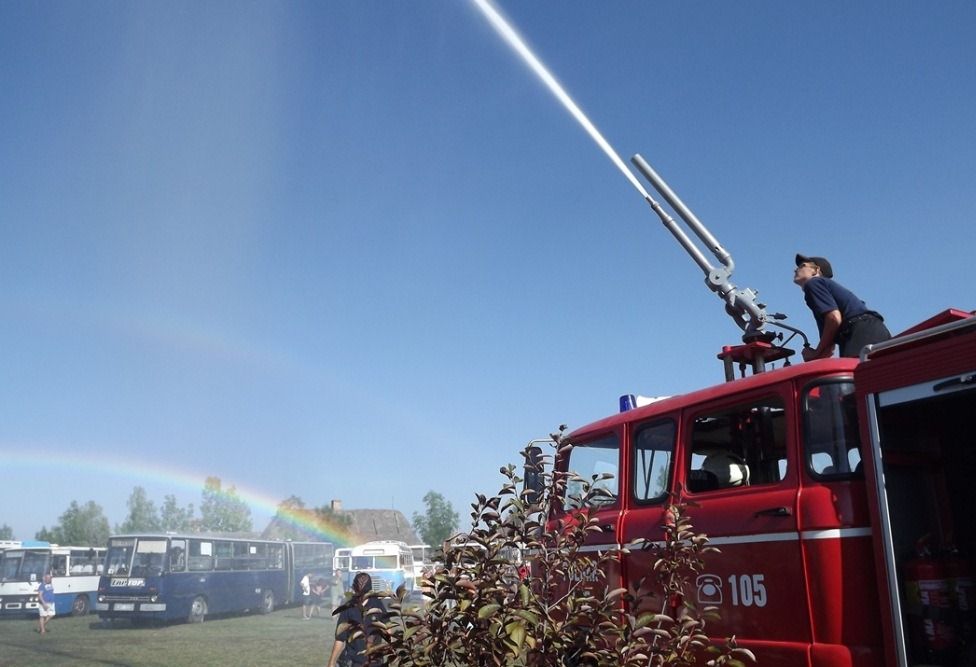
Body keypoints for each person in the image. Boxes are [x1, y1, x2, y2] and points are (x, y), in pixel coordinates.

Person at [794, 253, 891, 360]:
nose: (795, 270)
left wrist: (815, 353)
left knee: (857, 373)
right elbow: (828, 347)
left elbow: (834, 318)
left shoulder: (813, 283)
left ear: (816, 270)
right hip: (873, 330)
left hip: (859, 331)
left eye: (802, 266)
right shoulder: (822, 293)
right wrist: (815, 356)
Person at [326, 572, 386, 667]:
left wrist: (331, 662)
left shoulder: (348, 607)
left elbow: (340, 639)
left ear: (354, 587)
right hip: (365, 661)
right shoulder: (378, 604)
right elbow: (389, 631)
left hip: (364, 661)